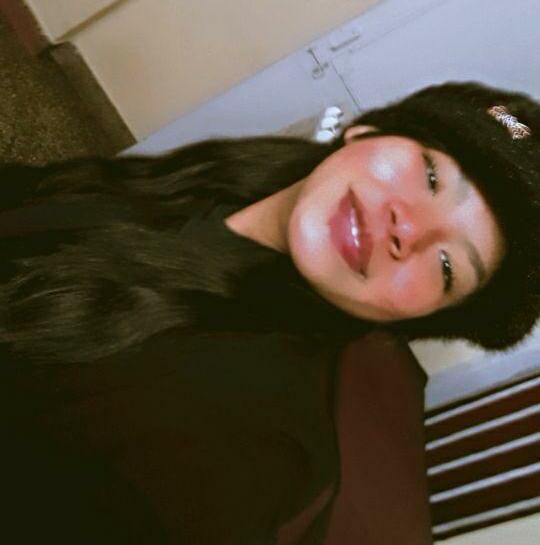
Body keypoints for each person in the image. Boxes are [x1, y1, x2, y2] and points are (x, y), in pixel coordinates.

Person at [0, 80, 538, 543]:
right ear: (366, 133)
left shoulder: (250, 445)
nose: (409, 227)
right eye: (432, 177)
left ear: (416, 319)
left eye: (446, 266)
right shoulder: (225, 177)